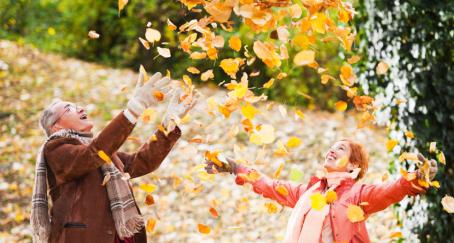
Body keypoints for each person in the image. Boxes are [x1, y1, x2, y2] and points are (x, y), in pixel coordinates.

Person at [31, 71, 197, 243]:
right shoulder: (55, 149)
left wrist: (170, 124)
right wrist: (134, 109)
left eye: (77, 106)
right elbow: (92, 155)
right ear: (55, 126)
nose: (80, 108)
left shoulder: (101, 153)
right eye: (69, 109)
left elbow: (141, 162)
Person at [205, 139, 438, 243]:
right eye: (331, 147)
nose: (332, 150)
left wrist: (412, 180)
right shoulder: (309, 192)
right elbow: (270, 186)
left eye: (341, 148)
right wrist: (235, 167)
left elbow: (387, 191)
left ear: (353, 165)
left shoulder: (358, 195)